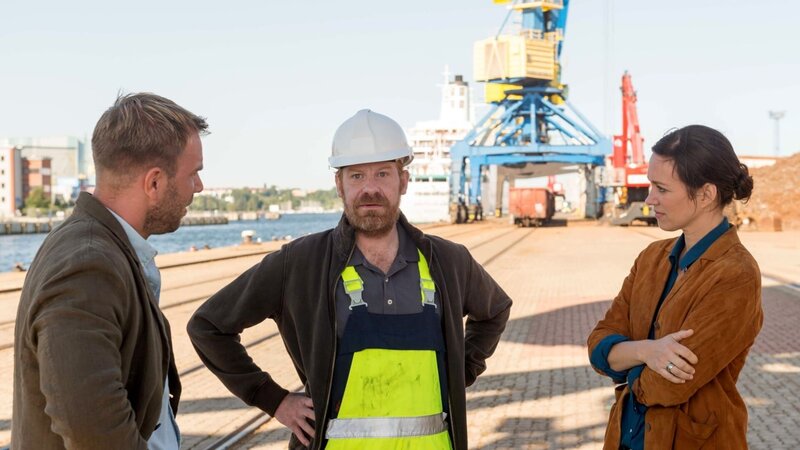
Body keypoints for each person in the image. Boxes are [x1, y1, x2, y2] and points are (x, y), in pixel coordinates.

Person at [188, 109, 512, 449]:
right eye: (356, 176)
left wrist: (460, 371)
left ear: (403, 181)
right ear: (339, 185)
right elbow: (209, 326)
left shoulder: (448, 261)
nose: (370, 189)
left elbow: (495, 310)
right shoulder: (301, 263)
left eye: (382, 173)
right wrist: (273, 399)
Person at [13, 93, 208, 449]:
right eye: (193, 173)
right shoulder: (88, 264)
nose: (198, 186)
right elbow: (91, 427)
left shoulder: (106, 248)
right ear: (154, 183)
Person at [587, 125, 763, 450]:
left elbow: (668, 386)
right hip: (626, 437)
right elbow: (598, 344)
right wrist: (645, 352)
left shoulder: (736, 274)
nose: (649, 198)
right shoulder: (651, 258)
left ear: (706, 194)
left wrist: (622, 360)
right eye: (650, 185)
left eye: (662, 189)